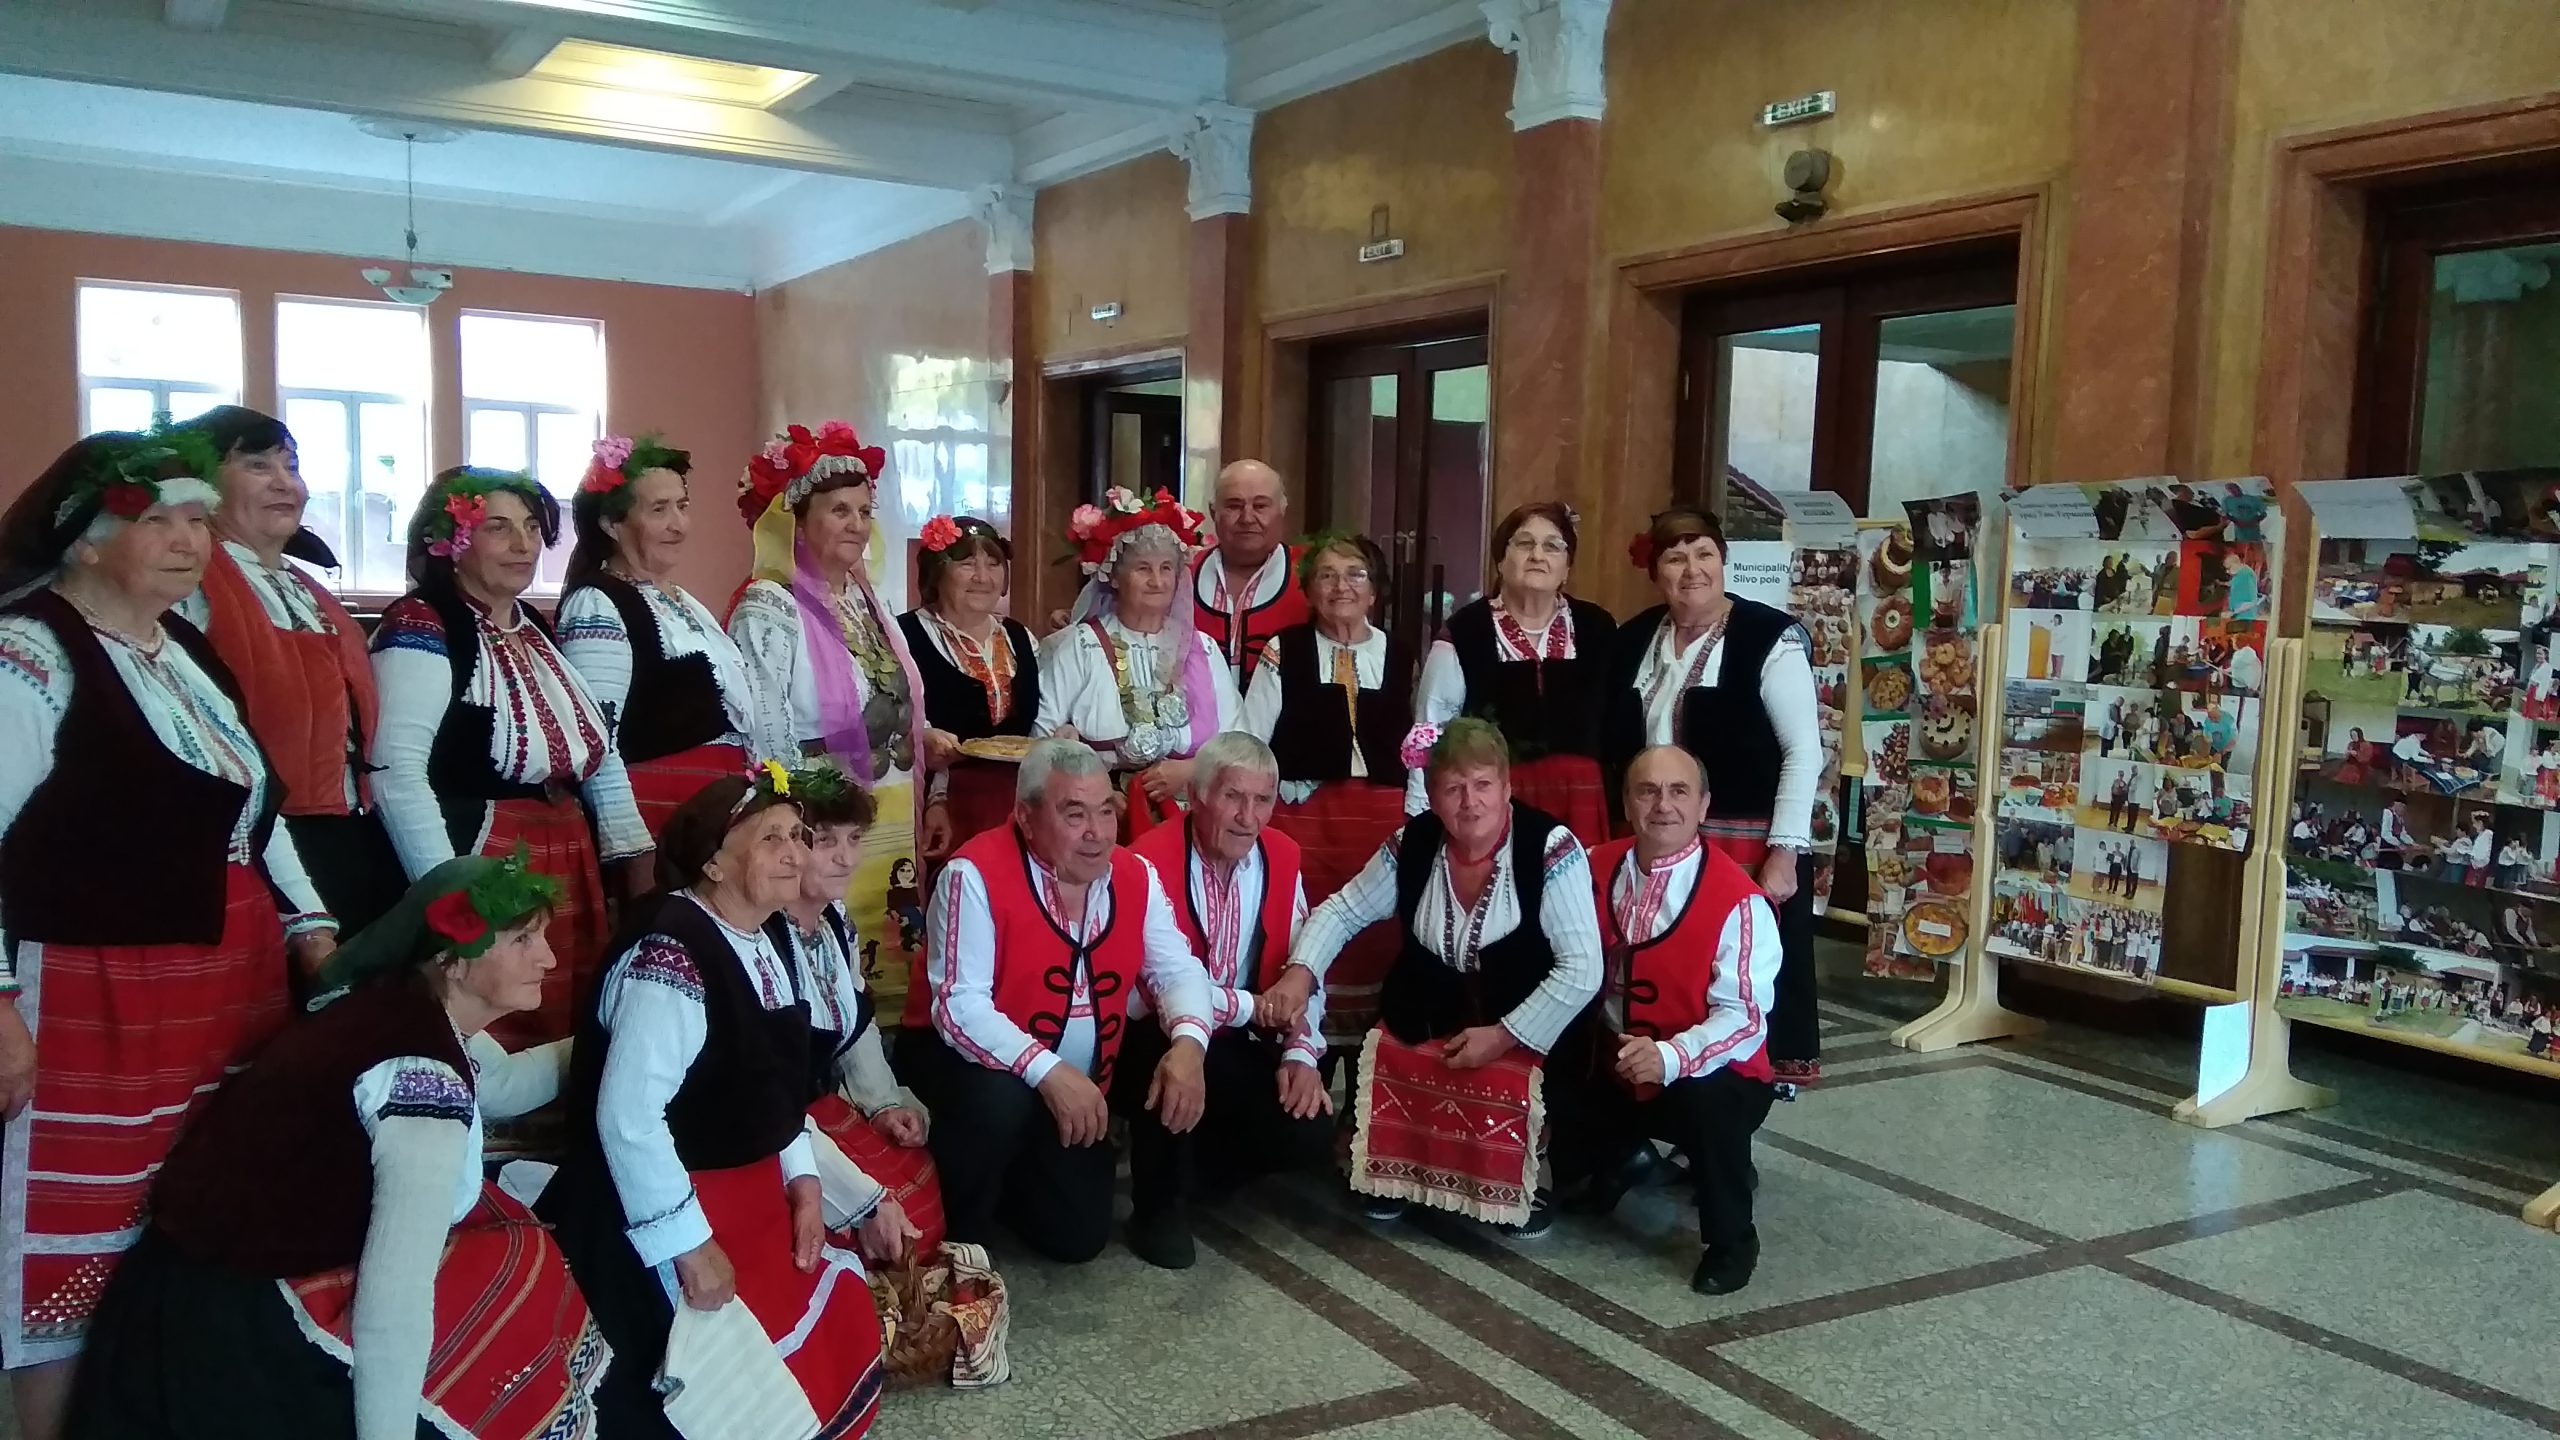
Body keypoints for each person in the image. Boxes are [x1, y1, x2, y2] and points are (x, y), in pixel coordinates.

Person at [0, 427, 337, 1435]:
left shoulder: (183, 651)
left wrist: (312, 928)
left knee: (193, 1207)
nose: (190, 540)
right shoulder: (31, 654)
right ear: (87, 539)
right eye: (158, 521)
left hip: (222, 985)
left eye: (197, 519)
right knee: (82, 1230)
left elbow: (255, 810)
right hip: (99, 993)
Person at [65, 851, 599, 1440]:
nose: (548, 958)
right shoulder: (419, 1083)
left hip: (198, 1282)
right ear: (451, 957)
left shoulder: (400, 1003)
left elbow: (506, 1085)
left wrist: (611, 1030)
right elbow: (393, 1305)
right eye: (523, 939)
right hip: (232, 1333)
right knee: (513, 1278)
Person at [540, 768, 913, 1440]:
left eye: (798, 836)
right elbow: (628, 1119)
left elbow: (775, 1087)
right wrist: (688, 1246)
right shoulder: (671, 955)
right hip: (661, 1204)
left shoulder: (763, 937)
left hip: (742, 1188)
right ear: (713, 862)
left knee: (833, 1323)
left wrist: (804, 1184)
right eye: (771, 839)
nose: (795, 854)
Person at [1267, 718, 1602, 1235]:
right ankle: (1395, 1178)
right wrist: (1300, 972)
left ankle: (1517, 1185)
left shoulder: (1551, 848)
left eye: (1483, 784)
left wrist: (1504, 1035)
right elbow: (1344, 911)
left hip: (1525, 1018)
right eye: (1453, 788)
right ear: (1433, 794)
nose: (1470, 802)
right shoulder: (1413, 842)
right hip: (1425, 1009)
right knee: (1394, 1047)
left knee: (1514, 1075)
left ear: (1507, 787)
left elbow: (1583, 969)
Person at [901, 738, 1215, 1263]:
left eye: (1105, 811)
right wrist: (1050, 1071)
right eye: (1074, 814)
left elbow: (1178, 969)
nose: (1097, 832)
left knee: (1076, 1238)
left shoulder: (1134, 875)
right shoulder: (972, 874)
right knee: (995, 1100)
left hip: (1080, 1074)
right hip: (972, 1067)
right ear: (1026, 817)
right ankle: (961, 1232)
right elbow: (959, 1009)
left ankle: (1154, 1207)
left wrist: (1189, 1045)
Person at [370, 467, 632, 1048]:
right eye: (498, 528)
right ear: (453, 542)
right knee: (491, 1018)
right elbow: (396, 770)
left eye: (532, 527)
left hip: (559, 845)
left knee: (558, 1013)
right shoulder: (422, 623)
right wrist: (451, 897)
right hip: (484, 851)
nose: (523, 545)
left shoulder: (530, 624)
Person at [1602, 505, 1823, 1088]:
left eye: (1704, 554)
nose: (1692, 569)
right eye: (1675, 558)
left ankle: (1733, 1100)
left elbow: (1804, 752)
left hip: (1741, 843)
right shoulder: (1634, 640)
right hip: (1654, 836)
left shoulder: (1767, 637)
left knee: (1739, 975)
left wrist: (1784, 852)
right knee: (1665, 964)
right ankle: (1661, 1074)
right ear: (1656, 572)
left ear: (1724, 562)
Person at [1547, 746, 1781, 1294]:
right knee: (1554, 1057)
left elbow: (1745, 1019)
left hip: (1708, 1072)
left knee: (1713, 1100)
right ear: (1627, 802)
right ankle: (1614, 1165)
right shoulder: (1589, 866)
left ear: (1703, 806)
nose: (1663, 805)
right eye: (1647, 791)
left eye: (1679, 791)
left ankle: (1732, 1240)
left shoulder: (1739, 901)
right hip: (1613, 1057)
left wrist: (1671, 1057)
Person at [176, 406, 406, 936]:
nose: (285, 483)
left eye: (292, 466)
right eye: (258, 466)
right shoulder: (193, 582)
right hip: (255, 840)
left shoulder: (309, 588)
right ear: (204, 484)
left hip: (349, 831)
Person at [1122, 734, 1335, 1268]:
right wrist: (1250, 1006)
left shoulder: (1282, 858)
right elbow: (1147, 988)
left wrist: (1301, 1053)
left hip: (1242, 1036)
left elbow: (1302, 968)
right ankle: (1156, 1208)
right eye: (1233, 797)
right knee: (1169, 1054)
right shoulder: (1147, 860)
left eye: (1262, 800)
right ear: (1197, 796)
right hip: (1155, 1032)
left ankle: (1201, 1173)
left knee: (1309, 1126)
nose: (1248, 817)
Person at [763, 762, 945, 1254]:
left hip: (820, 1104)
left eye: (854, 839)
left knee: (919, 1188)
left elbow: (856, 1023)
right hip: (774, 1125)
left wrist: (883, 1104)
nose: (846, 858)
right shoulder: (762, 937)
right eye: (825, 841)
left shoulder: (833, 923)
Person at [1241, 532, 1413, 1050]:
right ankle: (1300, 1054)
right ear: (1310, 590)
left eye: (1355, 574)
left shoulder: (1400, 654)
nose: (1342, 586)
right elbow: (1251, 739)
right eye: (1327, 575)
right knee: (1303, 932)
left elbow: (1421, 744)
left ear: (1375, 590)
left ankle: (1362, 1072)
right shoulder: (1285, 650)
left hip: (1381, 826)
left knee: (1377, 939)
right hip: (1304, 822)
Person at [557, 434, 760, 857]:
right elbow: (599, 740)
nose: (678, 524)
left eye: (682, 506)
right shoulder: (597, 605)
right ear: (611, 524)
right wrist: (632, 848)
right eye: (659, 510)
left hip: (711, 811)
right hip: (661, 816)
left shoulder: (677, 599)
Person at [1409, 502, 1618, 845]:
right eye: (1524, 543)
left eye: (1552, 546)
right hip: (1496, 796)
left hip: (1581, 798)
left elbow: (1616, 722)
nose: (1538, 555)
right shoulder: (1466, 630)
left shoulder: (1597, 627)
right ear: (1500, 561)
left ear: (1567, 567)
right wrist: (1423, 810)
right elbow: (1431, 727)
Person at [1039, 488, 1241, 837]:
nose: (1157, 581)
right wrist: (1097, 790)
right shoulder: (1081, 645)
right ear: (1115, 576)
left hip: (1193, 820)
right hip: (1100, 819)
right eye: (1143, 569)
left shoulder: (1203, 649)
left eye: (1166, 568)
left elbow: (1239, 740)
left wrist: (1192, 770)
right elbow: (1042, 737)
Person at [900, 514, 1040, 866]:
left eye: (993, 563)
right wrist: (923, 741)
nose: (982, 577)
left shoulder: (1020, 637)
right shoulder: (904, 636)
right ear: (936, 572)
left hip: (1017, 806)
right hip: (939, 807)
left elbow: (1041, 722)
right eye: (966, 564)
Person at [1191, 459, 1308, 685]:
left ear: (1282, 510)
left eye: (1260, 506)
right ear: (1213, 512)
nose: (1247, 518)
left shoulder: (1311, 575)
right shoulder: (1181, 574)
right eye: (1234, 506)